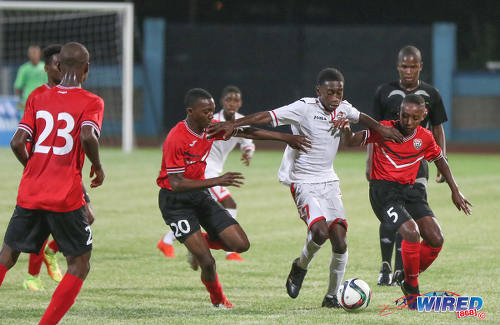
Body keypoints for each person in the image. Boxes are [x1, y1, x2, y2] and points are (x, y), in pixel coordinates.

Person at [207, 68, 403, 308]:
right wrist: (235, 124)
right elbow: (266, 116)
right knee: (320, 232)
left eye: (339, 92)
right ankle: (300, 267)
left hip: (329, 181)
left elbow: (361, 117)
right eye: (329, 92)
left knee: (340, 240)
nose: (335, 97)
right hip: (302, 180)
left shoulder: (343, 108)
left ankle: (331, 297)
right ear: (318, 91)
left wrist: (381, 129)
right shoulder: (303, 108)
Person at [157, 88, 310, 309]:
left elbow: (248, 133)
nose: (211, 115)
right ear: (190, 112)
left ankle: (197, 246)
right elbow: (177, 183)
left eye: (212, 111)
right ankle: (218, 300)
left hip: (199, 196)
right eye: (206, 112)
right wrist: (217, 181)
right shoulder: (176, 137)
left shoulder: (210, 129)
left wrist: (285, 137)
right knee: (208, 262)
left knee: (240, 244)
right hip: (175, 202)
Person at [0, 42, 105, 325]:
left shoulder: (38, 96)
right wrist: (97, 165)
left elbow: (17, 142)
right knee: (79, 264)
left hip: (31, 189)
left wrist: (35, 168)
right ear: (87, 68)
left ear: (59, 66)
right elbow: (87, 136)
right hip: (65, 195)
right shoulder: (91, 101)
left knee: (7, 255)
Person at [340, 94, 471, 307]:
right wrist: (346, 129)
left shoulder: (425, 137)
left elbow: (440, 160)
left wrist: (455, 191)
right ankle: (412, 290)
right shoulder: (383, 129)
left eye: (414, 117)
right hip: (382, 193)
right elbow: (350, 141)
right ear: (398, 112)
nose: (408, 122)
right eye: (404, 116)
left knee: (436, 238)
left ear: (423, 115)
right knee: (411, 232)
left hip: (407, 192)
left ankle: (406, 274)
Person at [367, 45, 449, 286]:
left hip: (417, 166)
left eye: (413, 66)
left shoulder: (431, 94)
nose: (409, 70)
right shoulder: (384, 92)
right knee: (391, 216)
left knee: (411, 220)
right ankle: (385, 266)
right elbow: (375, 129)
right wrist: (369, 161)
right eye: (404, 66)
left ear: (420, 66)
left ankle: (402, 271)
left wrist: (440, 161)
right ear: (398, 66)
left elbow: (437, 128)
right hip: (386, 168)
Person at [20, 44, 96, 291]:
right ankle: (33, 275)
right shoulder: (39, 96)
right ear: (51, 67)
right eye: (54, 64)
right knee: (43, 224)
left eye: (59, 63)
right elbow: (23, 140)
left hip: (67, 173)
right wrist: (34, 167)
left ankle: (52, 252)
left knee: (88, 216)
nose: (58, 68)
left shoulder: (76, 98)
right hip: (44, 174)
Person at [157, 85, 255, 261]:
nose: (233, 103)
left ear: (241, 103)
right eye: (229, 99)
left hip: (213, 172)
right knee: (229, 203)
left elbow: (247, 139)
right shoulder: (210, 120)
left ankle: (169, 241)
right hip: (205, 172)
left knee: (199, 214)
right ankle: (227, 251)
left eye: (236, 100)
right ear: (222, 102)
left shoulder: (237, 121)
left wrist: (248, 151)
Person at [14, 45, 47, 112]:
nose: (34, 55)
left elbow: (51, 84)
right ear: (28, 54)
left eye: (35, 52)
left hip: (43, 100)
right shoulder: (23, 68)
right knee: (27, 121)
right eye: (32, 52)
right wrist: (18, 100)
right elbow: (17, 86)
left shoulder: (46, 67)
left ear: (40, 53)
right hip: (27, 101)